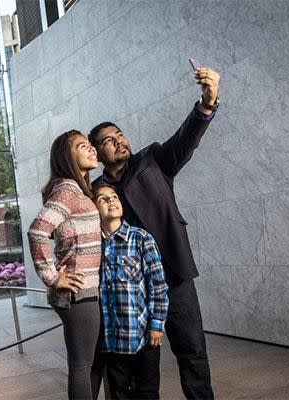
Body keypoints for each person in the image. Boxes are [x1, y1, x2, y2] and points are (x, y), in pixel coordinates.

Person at [88, 65, 221, 399]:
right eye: (108, 140)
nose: (118, 140)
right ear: (97, 152)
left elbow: (185, 140)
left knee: (192, 352)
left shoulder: (152, 161)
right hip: (129, 290)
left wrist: (207, 103)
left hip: (173, 276)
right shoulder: (96, 190)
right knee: (137, 368)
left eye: (119, 134)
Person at [27, 129, 102, 399]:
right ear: (66, 156)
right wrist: (52, 276)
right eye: (83, 146)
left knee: (85, 365)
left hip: (83, 290)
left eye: (90, 144)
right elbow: (37, 231)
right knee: (82, 366)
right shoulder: (68, 189)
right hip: (79, 292)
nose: (92, 148)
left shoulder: (76, 190)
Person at [89, 183, 168, 400]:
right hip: (111, 340)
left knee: (147, 392)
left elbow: (158, 285)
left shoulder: (142, 239)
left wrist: (156, 324)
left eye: (114, 197)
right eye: (102, 199)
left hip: (143, 337)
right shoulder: (94, 246)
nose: (111, 201)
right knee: (119, 393)